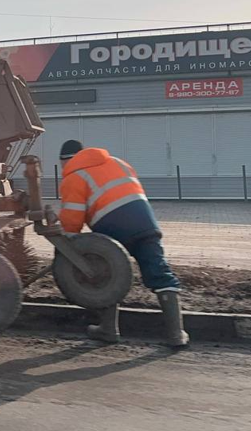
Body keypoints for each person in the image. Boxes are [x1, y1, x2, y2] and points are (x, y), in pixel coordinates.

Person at [57, 139, 189, 348]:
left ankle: (109, 329)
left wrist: (66, 249)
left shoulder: (74, 176)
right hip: (144, 220)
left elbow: (72, 223)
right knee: (158, 271)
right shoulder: (118, 162)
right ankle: (176, 334)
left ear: (64, 162)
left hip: (111, 224)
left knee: (108, 274)